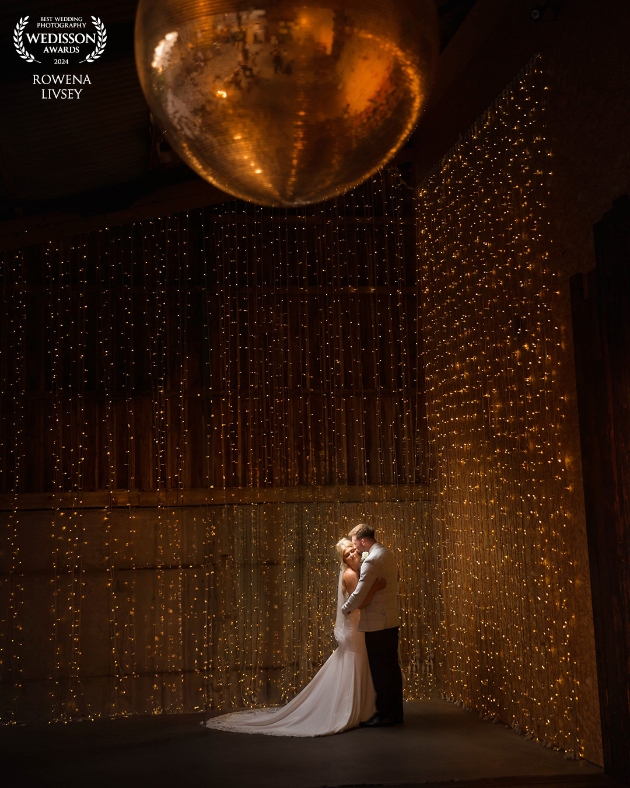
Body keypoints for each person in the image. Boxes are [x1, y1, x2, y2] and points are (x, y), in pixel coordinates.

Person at [203, 538, 386, 736]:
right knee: (354, 664)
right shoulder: (350, 575)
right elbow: (358, 603)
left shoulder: (356, 572)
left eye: (352, 551)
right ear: (342, 559)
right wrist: (374, 588)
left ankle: (355, 709)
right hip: (354, 628)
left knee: (354, 664)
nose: (351, 555)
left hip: (356, 626)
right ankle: (346, 710)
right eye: (346, 554)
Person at [341, 523, 403, 727]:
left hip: (377, 624)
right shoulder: (387, 553)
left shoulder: (371, 561)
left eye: (355, 543)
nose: (355, 548)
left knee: (381, 671)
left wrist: (345, 609)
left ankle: (385, 714)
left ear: (363, 540)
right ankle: (396, 713)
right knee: (392, 669)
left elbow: (359, 595)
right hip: (391, 621)